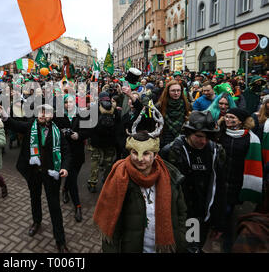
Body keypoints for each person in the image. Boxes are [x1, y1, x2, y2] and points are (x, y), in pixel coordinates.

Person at [93, 104, 188, 253]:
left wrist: (181, 239)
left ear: (155, 154)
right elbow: (111, 220)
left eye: (146, 154)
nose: (140, 159)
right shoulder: (119, 176)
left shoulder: (170, 176)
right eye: (135, 153)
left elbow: (181, 212)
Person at [0, 104, 71, 253]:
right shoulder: (31, 125)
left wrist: (65, 167)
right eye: (40, 112)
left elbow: (66, 152)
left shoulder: (57, 131)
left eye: (46, 113)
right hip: (34, 172)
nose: (42, 115)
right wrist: (4, 115)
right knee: (34, 197)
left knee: (54, 206)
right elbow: (16, 125)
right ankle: (36, 222)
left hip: (51, 174)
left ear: (52, 116)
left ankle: (60, 240)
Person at [160, 111, 227, 252]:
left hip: (201, 213)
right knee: (185, 247)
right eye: (199, 136)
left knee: (194, 246)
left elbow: (219, 187)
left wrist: (218, 221)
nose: (203, 141)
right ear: (188, 133)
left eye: (208, 138)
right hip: (180, 213)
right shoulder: (172, 151)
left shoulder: (215, 152)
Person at [218, 108, 264, 252]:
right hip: (220, 179)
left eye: (232, 117)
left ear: (241, 121)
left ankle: (227, 242)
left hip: (236, 181)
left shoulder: (251, 138)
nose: (228, 120)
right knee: (220, 209)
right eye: (227, 116)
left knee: (228, 211)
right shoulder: (219, 133)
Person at [54, 94, 90, 222]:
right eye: (66, 102)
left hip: (78, 152)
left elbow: (88, 131)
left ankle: (64, 189)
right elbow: (55, 130)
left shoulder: (82, 115)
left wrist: (79, 135)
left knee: (71, 176)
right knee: (72, 178)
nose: (68, 104)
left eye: (70, 102)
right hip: (65, 153)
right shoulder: (58, 116)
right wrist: (62, 133)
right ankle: (78, 206)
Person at [87, 91, 122, 193]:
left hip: (96, 141)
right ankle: (107, 179)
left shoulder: (94, 109)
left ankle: (92, 182)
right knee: (108, 162)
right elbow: (118, 126)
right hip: (110, 141)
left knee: (95, 162)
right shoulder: (115, 110)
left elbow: (90, 125)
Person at [157, 80, 191, 149]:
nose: (176, 93)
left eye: (178, 90)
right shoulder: (160, 106)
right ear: (168, 92)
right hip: (165, 138)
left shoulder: (186, 104)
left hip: (182, 137)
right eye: (173, 91)